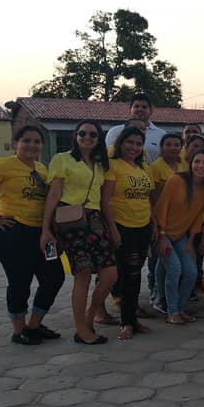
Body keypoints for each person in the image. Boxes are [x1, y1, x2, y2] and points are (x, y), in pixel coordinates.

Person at [0, 125, 65, 345]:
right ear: (15, 144)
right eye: (26, 141)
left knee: (54, 276)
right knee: (20, 280)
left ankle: (34, 325)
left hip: (40, 233)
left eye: (37, 141)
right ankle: (18, 330)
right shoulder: (4, 165)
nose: (32, 145)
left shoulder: (42, 169)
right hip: (12, 231)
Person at [40, 120, 115, 344]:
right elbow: (53, 196)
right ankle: (81, 330)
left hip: (95, 221)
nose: (87, 137)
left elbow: (103, 200)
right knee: (82, 275)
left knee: (111, 273)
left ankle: (90, 316)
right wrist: (45, 229)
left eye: (93, 134)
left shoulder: (100, 165)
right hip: (70, 220)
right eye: (83, 133)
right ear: (76, 135)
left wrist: (111, 228)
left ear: (99, 139)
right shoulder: (62, 159)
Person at [102, 127, 155, 340]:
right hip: (122, 226)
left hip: (143, 225)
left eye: (138, 144)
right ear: (120, 143)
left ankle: (132, 319)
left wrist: (155, 225)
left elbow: (149, 198)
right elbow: (105, 200)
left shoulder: (143, 168)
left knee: (135, 274)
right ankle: (126, 321)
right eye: (130, 142)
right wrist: (113, 229)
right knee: (125, 275)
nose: (134, 147)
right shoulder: (113, 166)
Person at [154, 150, 204, 324]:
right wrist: (162, 236)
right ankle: (172, 312)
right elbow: (162, 207)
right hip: (162, 233)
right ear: (191, 163)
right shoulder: (176, 180)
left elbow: (197, 218)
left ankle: (180, 309)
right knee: (174, 269)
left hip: (181, 237)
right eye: (197, 162)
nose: (201, 166)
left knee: (191, 272)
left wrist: (190, 243)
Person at [146, 133, 187, 308]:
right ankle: (158, 293)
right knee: (160, 261)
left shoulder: (184, 165)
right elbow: (152, 196)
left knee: (165, 263)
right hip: (160, 221)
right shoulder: (155, 167)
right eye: (168, 144)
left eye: (176, 144)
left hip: (179, 222)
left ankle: (165, 294)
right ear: (162, 147)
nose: (172, 147)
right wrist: (155, 220)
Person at [105, 93, 167, 163]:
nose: (140, 109)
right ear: (130, 109)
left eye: (144, 107)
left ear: (151, 111)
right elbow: (107, 156)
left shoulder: (161, 134)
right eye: (136, 106)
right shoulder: (115, 131)